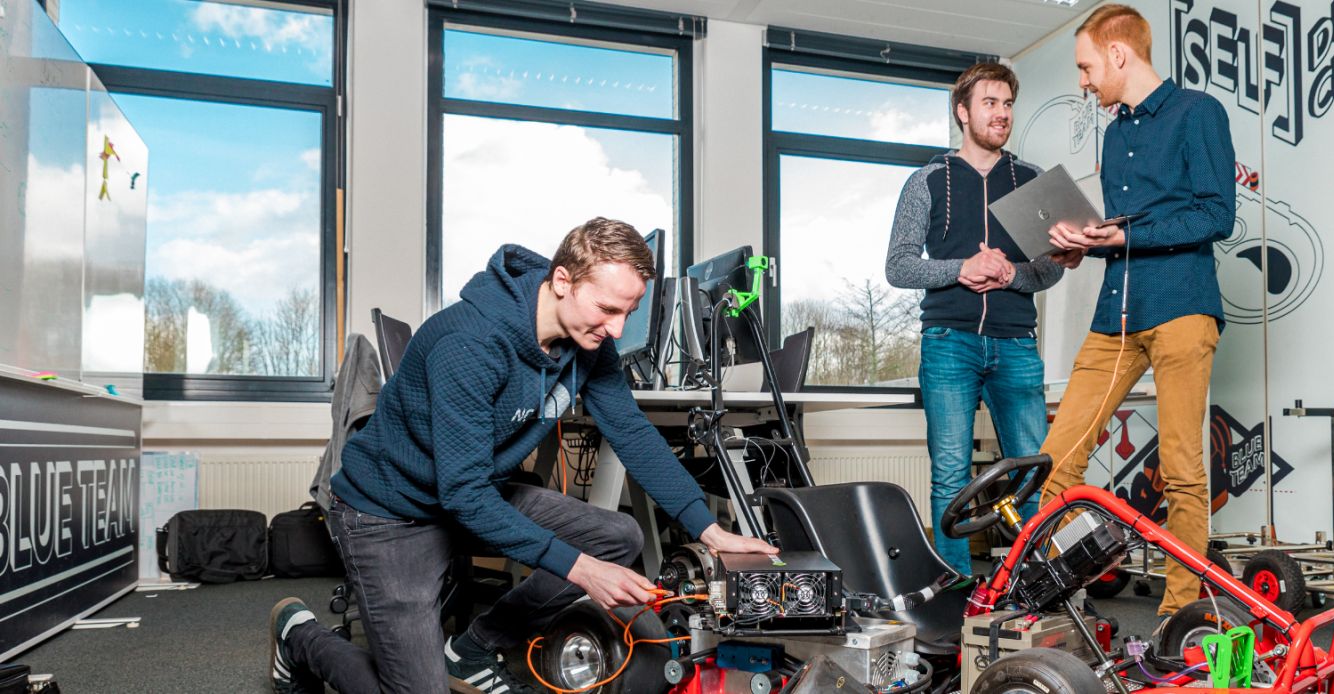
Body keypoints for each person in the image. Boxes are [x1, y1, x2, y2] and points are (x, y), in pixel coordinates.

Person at [268, 218, 776, 694]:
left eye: (629, 313)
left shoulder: (589, 344)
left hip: (468, 494)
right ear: (562, 280)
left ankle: (472, 648)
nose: (618, 330)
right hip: (388, 514)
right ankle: (299, 637)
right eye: (607, 309)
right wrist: (580, 571)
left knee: (617, 536)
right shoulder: (470, 342)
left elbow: (631, 431)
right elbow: (463, 494)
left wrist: (707, 529)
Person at [1038, 4, 1236, 621]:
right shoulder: (1116, 130)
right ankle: (1052, 599)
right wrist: (1085, 244)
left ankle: (1181, 616)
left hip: (1182, 308)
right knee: (1057, 460)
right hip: (1116, 313)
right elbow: (1129, 227)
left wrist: (1120, 238)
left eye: (1087, 66)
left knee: (1181, 470)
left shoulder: (1198, 113)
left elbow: (1215, 215)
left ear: (1119, 55)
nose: (1083, 81)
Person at [885, 62, 1065, 576]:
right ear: (963, 112)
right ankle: (956, 596)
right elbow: (898, 266)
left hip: (1015, 344)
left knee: (1034, 472)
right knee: (950, 477)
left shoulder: (1030, 182)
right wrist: (962, 268)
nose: (1001, 114)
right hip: (949, 343)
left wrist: (1011, 274)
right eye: (990, 103)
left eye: (1007, 104)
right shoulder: (926, 181)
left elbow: (1051, 269)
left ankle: (1035, 587)